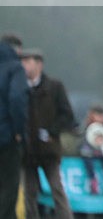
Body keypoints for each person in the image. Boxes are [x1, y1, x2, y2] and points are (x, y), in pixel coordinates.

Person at [20, 47, 77, 219]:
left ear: (39, 64)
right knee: (29, 194)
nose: (24, 67)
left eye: (28, 62)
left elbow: (67, 116)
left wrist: (51, 132)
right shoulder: (20, 89)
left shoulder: (54, 86)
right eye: (22, 62)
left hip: (49, 150)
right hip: (27, 152)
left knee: (56, 190)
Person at [0, 34, 29, 219]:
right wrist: (19, 131)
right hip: (6, 137)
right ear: (17, 49)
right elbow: (17, 99)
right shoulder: (15, 68)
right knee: (9, 188)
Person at [78, 104, 103, 195]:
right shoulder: (87, 126)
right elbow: (82, 139)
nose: (101, 118)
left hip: (102, 151)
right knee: (88, 160)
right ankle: (92, 181)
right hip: (89, 152)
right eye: (98, 116)